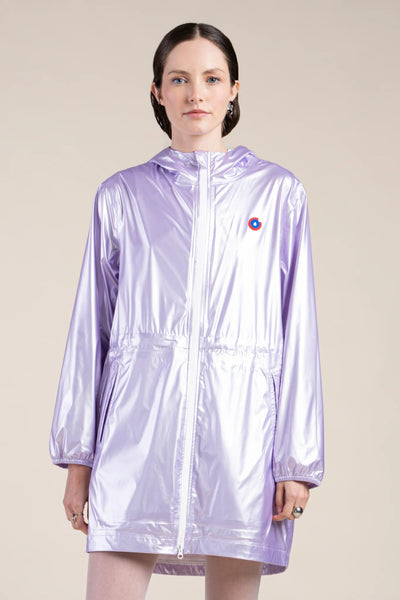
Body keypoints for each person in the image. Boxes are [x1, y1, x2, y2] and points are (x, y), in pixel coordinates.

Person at [49, 22, 324, 600]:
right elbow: (90, 331)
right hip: (134, 439)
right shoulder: (123, 195)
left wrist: (295, 463)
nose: (196, 93)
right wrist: (79, 460)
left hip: (241, 442)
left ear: (234, 90)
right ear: (158, 92)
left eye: (211, 78)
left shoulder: (277, 194)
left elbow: (298, 330)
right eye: (179, 79)